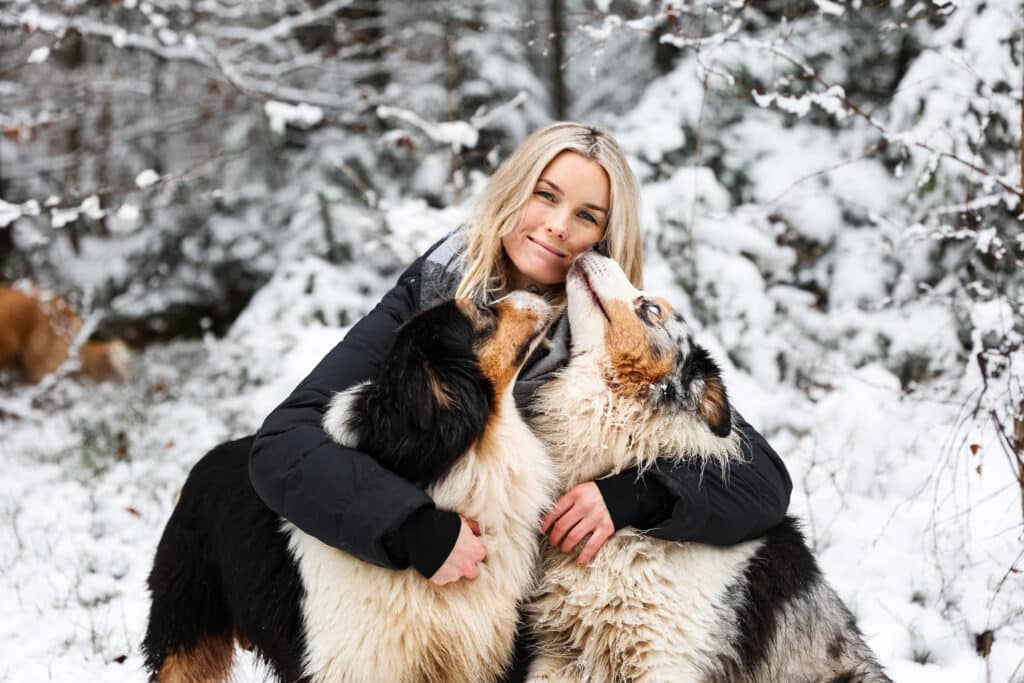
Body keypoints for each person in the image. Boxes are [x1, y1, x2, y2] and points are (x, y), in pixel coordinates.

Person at [248, 122, 792, 681]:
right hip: (423, 594)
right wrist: (408, 525)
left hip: (538, 624)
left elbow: (763, 481)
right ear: (514, 190)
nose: (557, 226)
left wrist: (636, 495)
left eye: (587, 215)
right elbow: (284, 444)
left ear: (605, 238)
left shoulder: (614, 345)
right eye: (546, 194)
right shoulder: (434, 296)